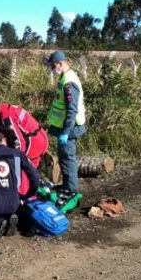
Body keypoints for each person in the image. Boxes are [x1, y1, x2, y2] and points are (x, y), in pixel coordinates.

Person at [0, 98, 48, 195]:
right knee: (30, 175)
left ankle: (21, 198)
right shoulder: (3, 109)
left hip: (34, 143)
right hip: (39, 139)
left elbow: (19, 142)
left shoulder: (7, 117)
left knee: (20, 173)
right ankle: (30, 195)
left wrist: (15, 161)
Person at [44, 50, 86, 193]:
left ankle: (71, 191)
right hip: (63, 128)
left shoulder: (69, 82)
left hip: (68, 129)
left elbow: (72, 110)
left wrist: (65, 132)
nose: (51, 69)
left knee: (68, 160)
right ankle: (67, 186)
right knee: (64, 159)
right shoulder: (64, 77)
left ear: (60, 64)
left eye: (52, 66)